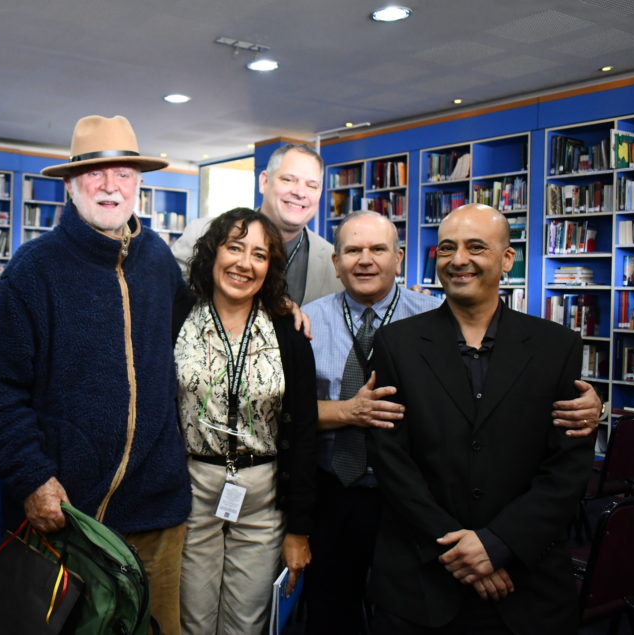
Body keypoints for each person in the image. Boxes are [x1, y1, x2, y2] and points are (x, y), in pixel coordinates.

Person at [301, 210, 603, 635]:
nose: (460, 259)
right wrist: (458, 546)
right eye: (447, 248)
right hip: (388, 539)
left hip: (521, 574)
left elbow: (567, 466)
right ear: (336, 262)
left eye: (476, 247)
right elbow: (389, 456)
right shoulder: (362, 334)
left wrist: (497, 544)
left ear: (508, 259)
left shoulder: (556, 345)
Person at [0, 115, 192, 635]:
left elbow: (197, 332)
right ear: (70, 184)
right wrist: (32, 478)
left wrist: (278, 306)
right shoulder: (33, 269)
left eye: (124, 174)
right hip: (67, 521)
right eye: (96, 173)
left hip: (157, 514)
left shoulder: (159, 261)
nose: (111, 185)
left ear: (139, 184)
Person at [175, 208, 317, 634]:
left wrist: (300, 530)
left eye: (259, 254)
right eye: (234, 248)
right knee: (191, 620)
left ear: (270, 267)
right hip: (191, 488)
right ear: (212, 253)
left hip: (263, 494)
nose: (244, 263)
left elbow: (304, 433)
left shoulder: (288, 331)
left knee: (248, 622)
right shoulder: (176, 316)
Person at [173, 143, 341, 304]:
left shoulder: (334, 262)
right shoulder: (200, 233)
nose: (300, 192)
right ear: (264, 182)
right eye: (288, 179)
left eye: (312, 186)